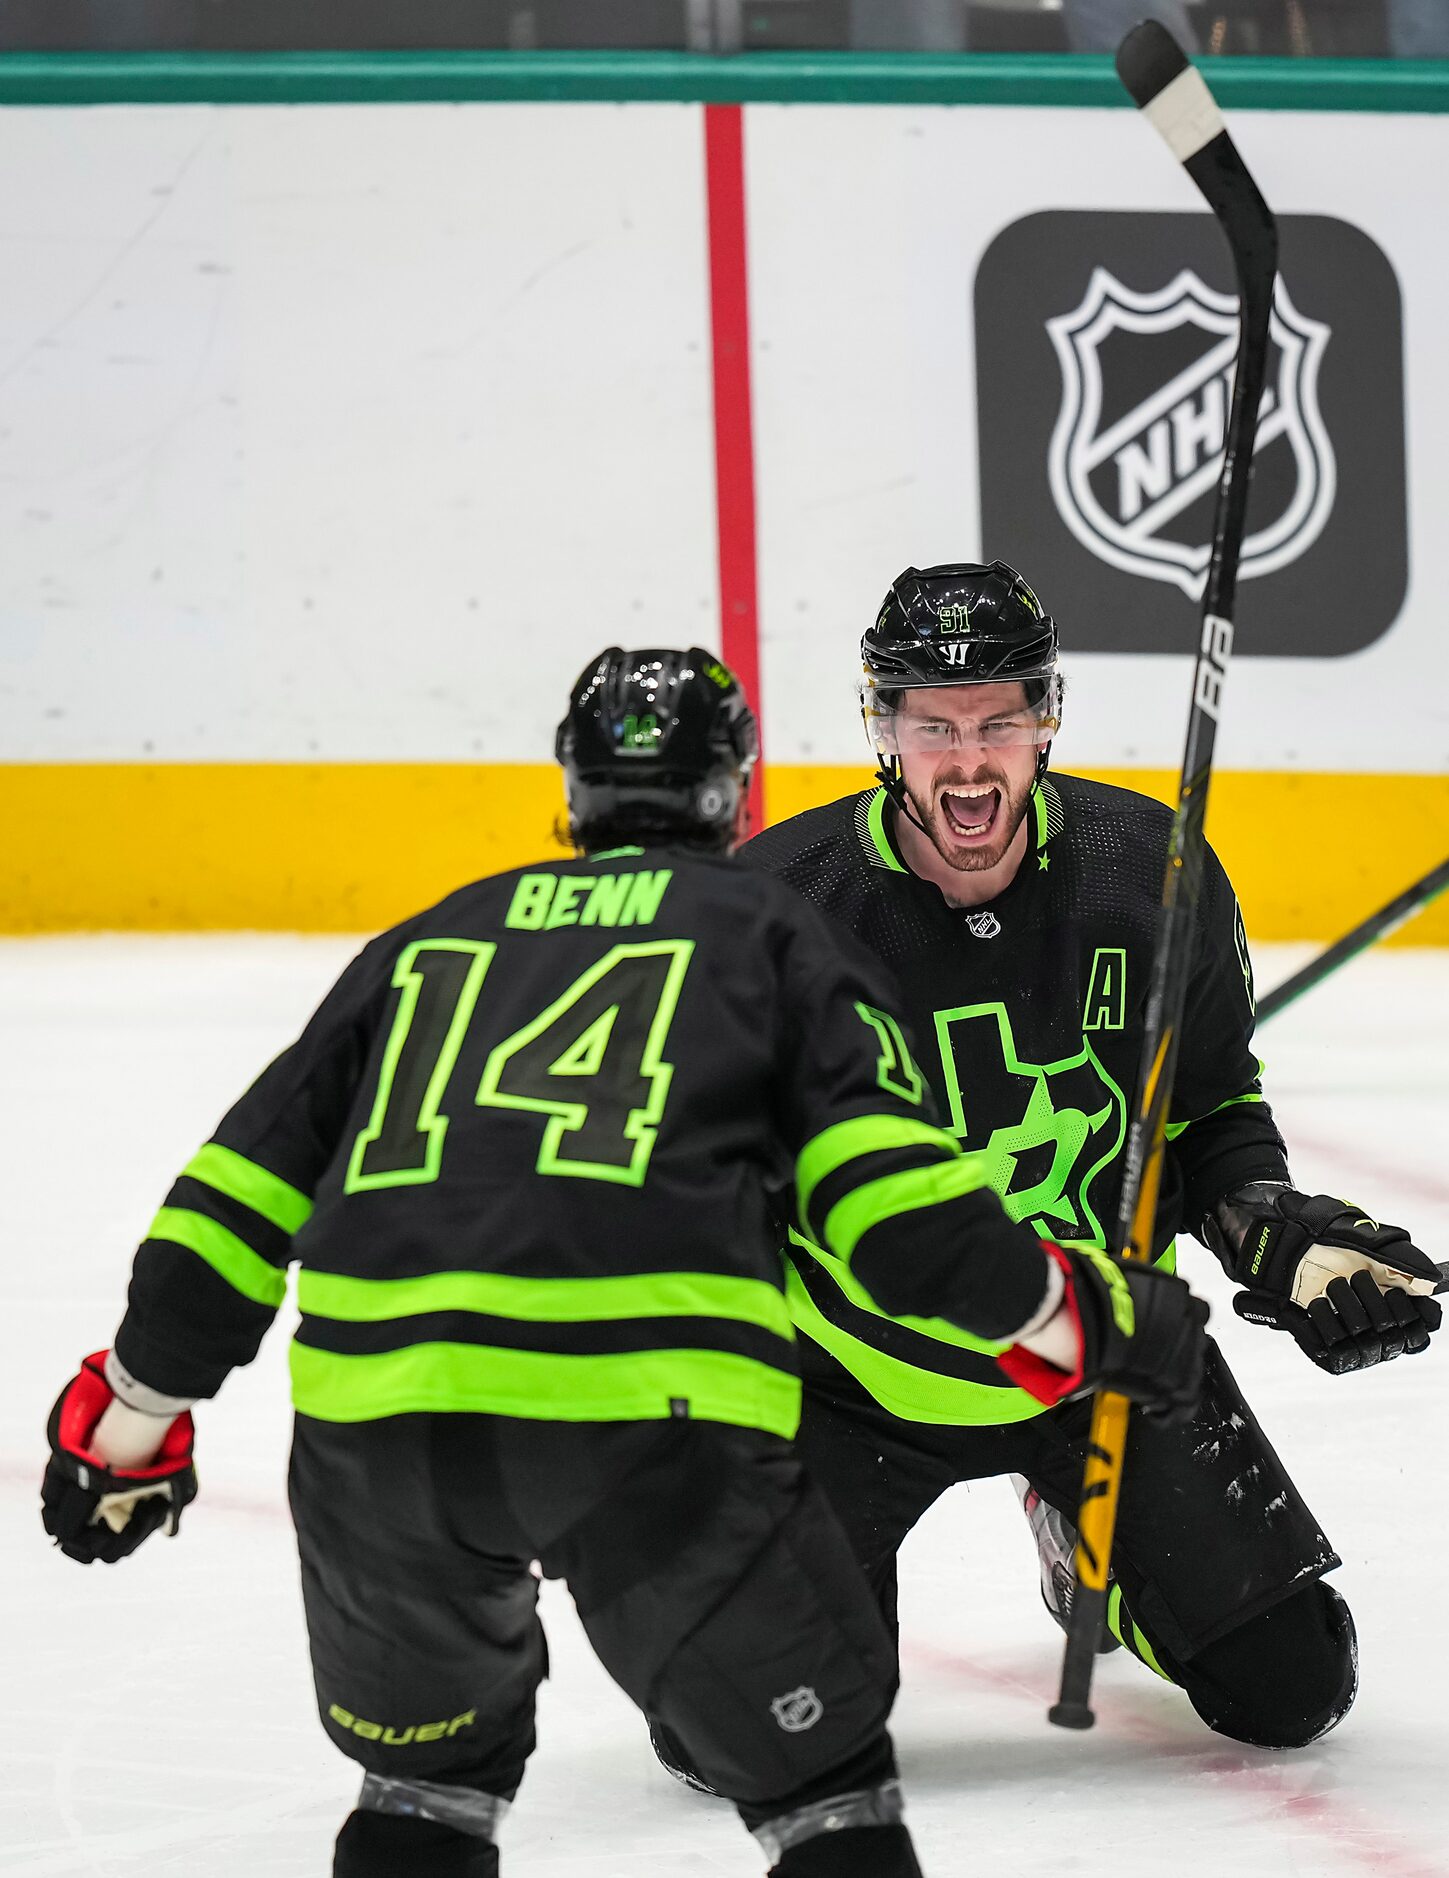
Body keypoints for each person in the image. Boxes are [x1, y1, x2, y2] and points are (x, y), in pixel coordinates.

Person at [41, 643, 1210, 1878]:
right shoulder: (775, 937)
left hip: (380, 1434)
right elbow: (899, 1226)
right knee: (826, 1803)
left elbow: (226, 1210)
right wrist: (1095, 1322)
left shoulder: (432, 942)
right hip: (655, 1431)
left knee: (424, 1792)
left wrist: (125, 1425)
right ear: (734, 793)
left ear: (572, 790)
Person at [651, 563, 1442, 1789]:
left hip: (1102, 1365)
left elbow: (1215, 1120)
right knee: (751, 1738)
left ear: (1047, 716)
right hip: (848, 1388)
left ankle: (1089, 1550)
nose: (969, 763)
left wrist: (1290, 1240)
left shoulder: (1153, 869)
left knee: (1296, 1685)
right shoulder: (773, 913)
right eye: (934, 725)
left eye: (998, 721)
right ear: (884, 731)